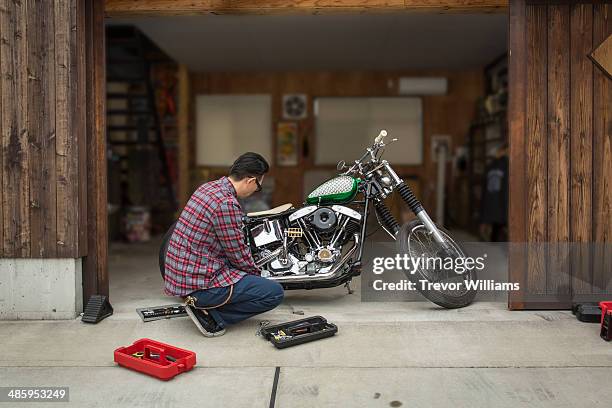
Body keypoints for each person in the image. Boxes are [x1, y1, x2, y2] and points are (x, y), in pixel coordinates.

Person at [163, 152, 284, 337]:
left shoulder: (207, 188)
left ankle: (203, 305)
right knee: (274, 293)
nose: (255, 190)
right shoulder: (226, 204)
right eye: (258, 186)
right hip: (198, 284)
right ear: (250, 180)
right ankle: (212, 315)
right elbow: (238, 255)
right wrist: (258, 277)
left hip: (179, 276)